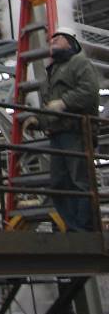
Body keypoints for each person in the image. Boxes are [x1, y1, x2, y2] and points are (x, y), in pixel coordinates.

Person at [21, 27, 99, 231]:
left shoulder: (79, 63)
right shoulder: (53, 71)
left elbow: (89, 93)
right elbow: (50, 105)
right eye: (51, 38)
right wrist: (38, 120)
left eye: (58, 38)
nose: (52, 40)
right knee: (58, 185)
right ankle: (72, 228)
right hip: (58, 134)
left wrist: (64, 102)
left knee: (79, 182)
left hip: (76, 133)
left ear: (71, 43)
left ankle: (85, 231)